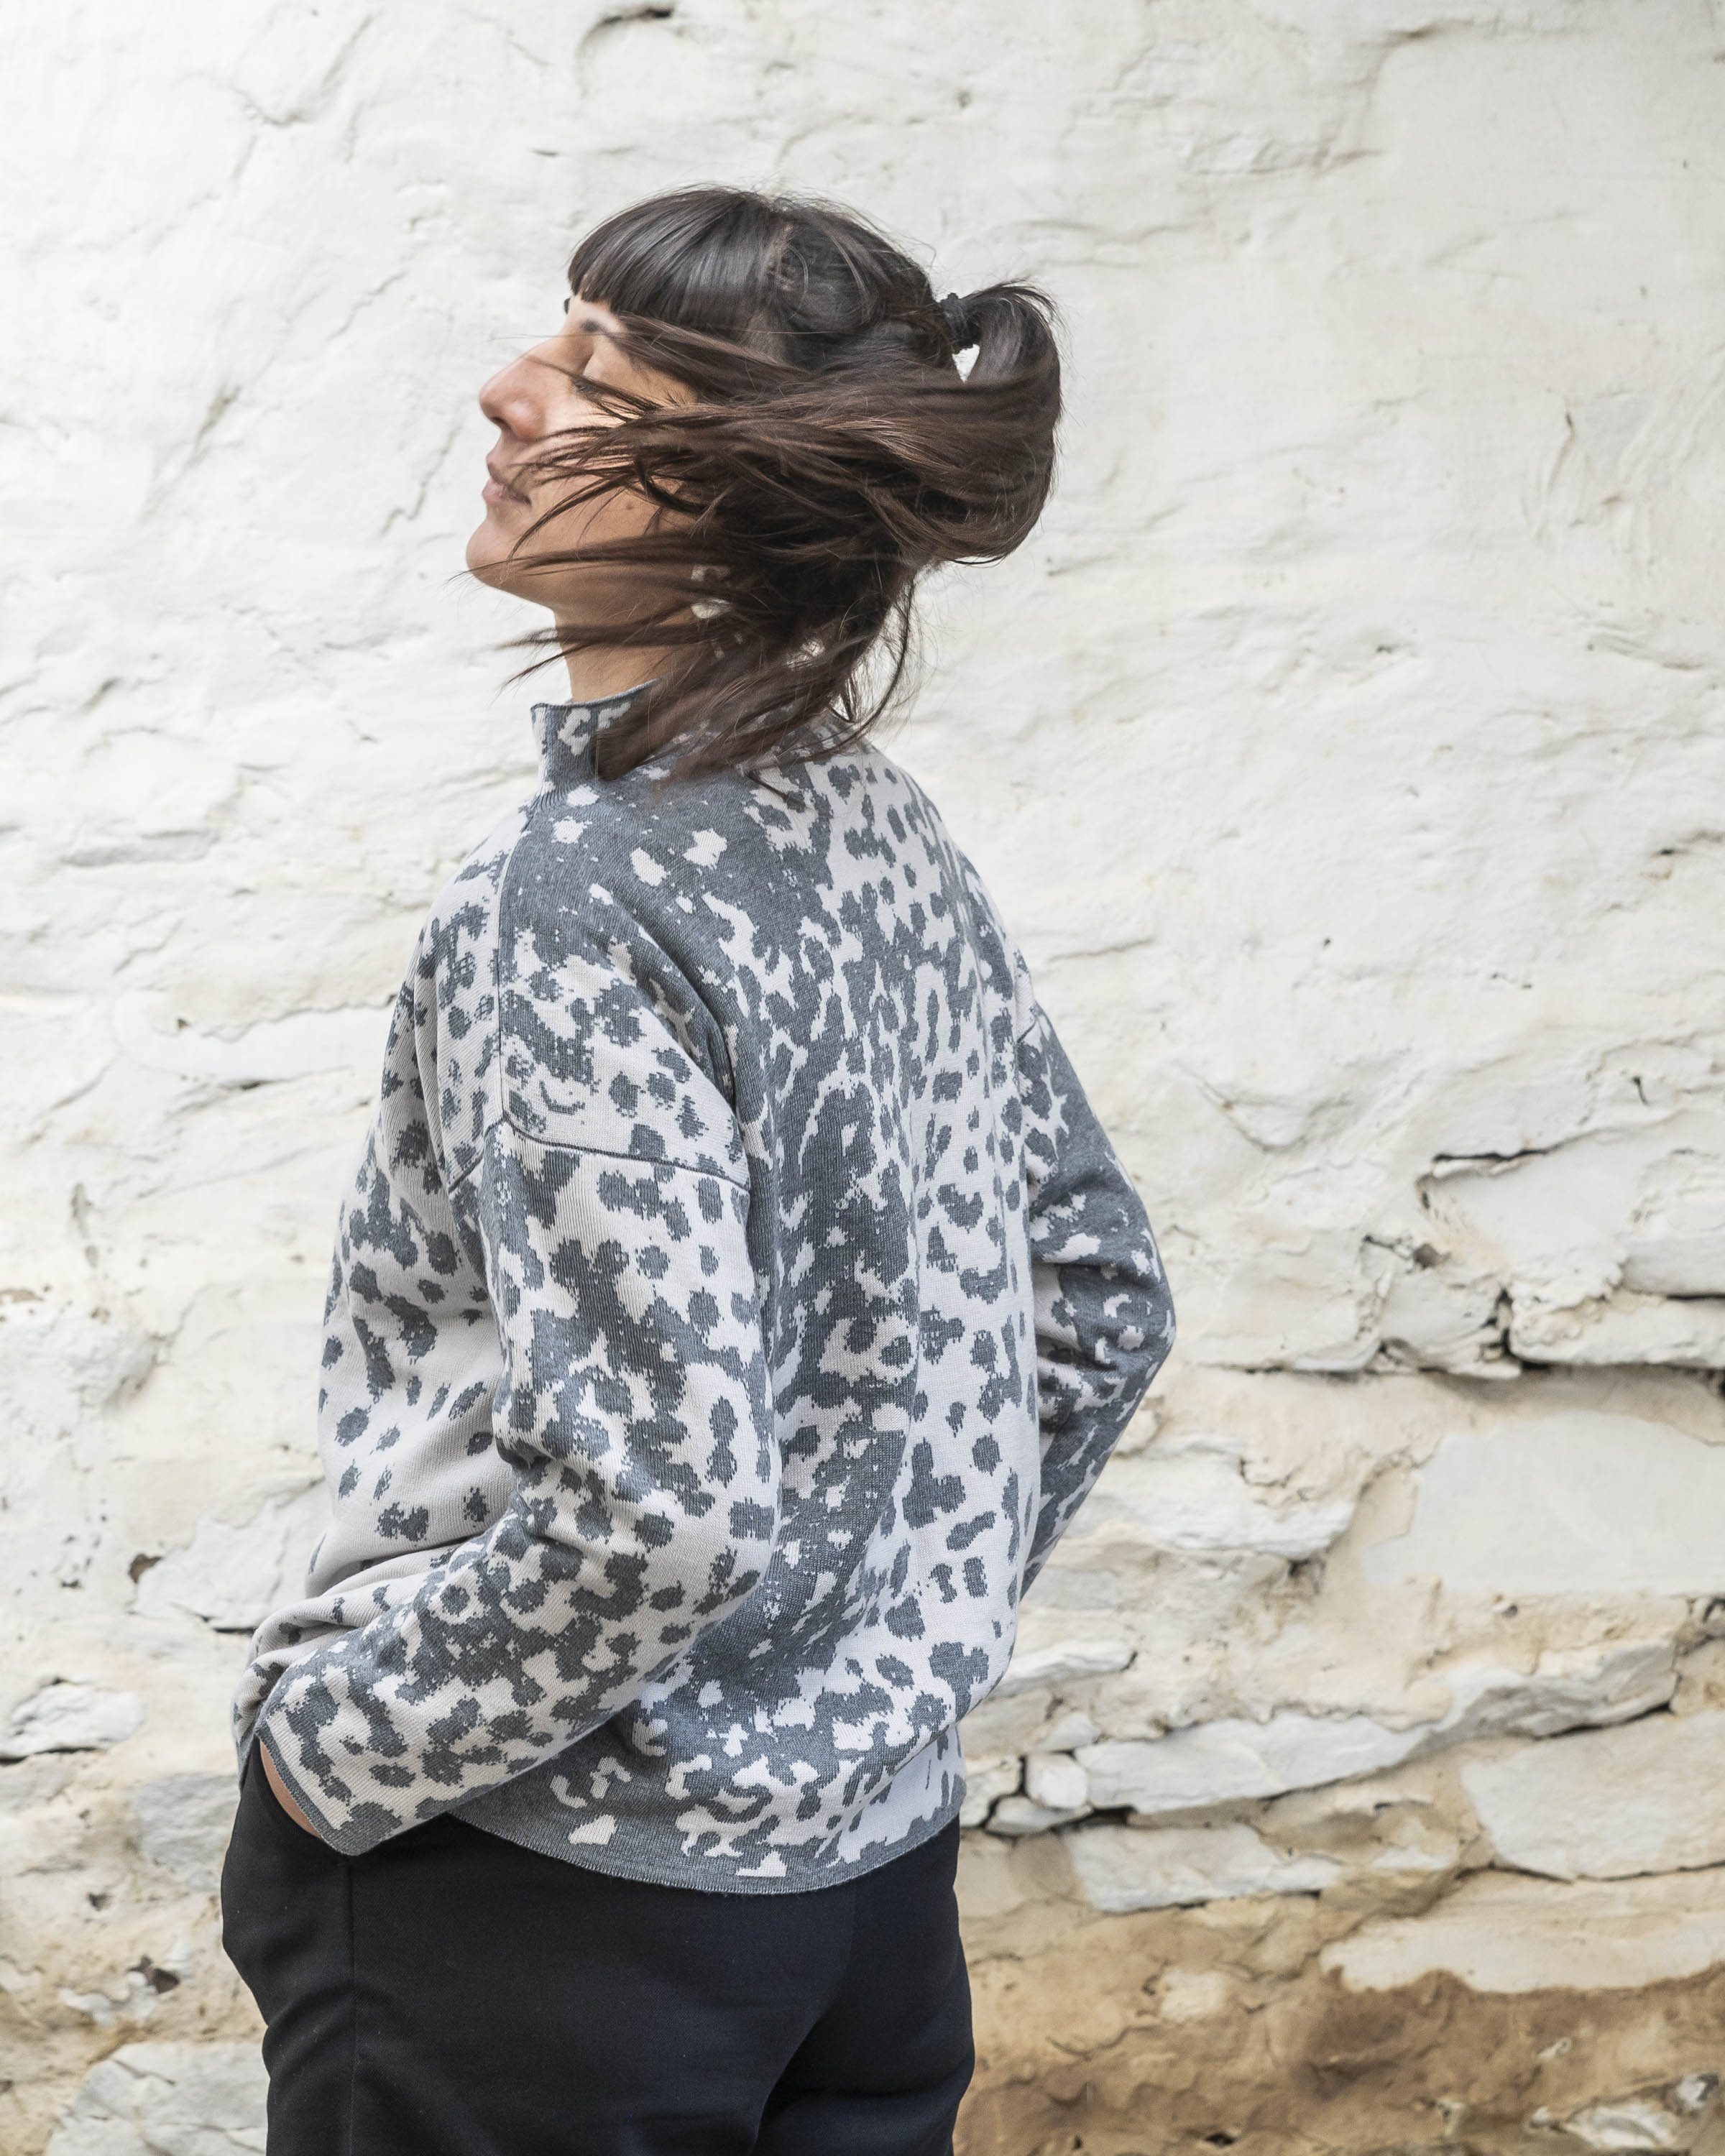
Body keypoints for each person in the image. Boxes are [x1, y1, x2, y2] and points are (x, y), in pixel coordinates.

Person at [218, 184, 1175, 2156]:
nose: (508, 394)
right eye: (546, 340)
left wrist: (338, 1759)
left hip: (541, 1924)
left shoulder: (576, 898)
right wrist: (863, 1683)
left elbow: (656, 1503)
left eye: (593, 376)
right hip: (866, 1908)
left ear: (742, 493)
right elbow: (1096, 1303)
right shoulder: (871, 831)